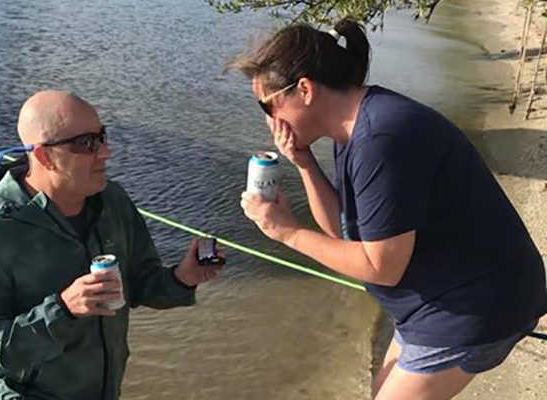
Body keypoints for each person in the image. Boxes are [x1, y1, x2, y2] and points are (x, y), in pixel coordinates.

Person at [232, 19, 546, 400]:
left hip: (475, 303)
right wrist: (303, 162)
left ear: (305, 89)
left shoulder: (381, 137)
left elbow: (382, 266)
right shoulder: (350, 129)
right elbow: (342, 233)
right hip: (435, 299)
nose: (269, 120)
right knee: (379, 390)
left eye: (268, 105)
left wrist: (287, 232)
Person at [0, 90, 222, 400]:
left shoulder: (113, 202)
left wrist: (181, 278)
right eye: (86, 143)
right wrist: (62, 309)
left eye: (102, 137)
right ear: (42, 156)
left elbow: (139, 283)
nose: (105, 153)